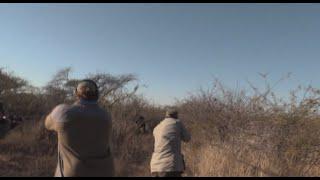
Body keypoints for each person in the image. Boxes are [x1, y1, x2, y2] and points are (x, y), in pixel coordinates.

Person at [45, 79, 114, 177]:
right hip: (104, 172)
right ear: (97, 95)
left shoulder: (64, 112)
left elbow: (47, 124)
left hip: (72, 173)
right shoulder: (106, 116)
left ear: (76, 94)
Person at [150, 108, 191, 177]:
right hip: (171, 166)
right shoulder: (177, 123)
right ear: (176, 115)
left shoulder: (157, 127)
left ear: (166, 115)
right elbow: (187, 138)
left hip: (155, 166)